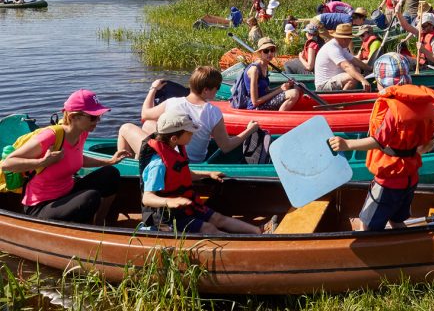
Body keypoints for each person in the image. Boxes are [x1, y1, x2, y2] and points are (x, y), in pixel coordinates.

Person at [328, 53, 434, 231]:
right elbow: (428, 143)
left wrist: (347, 144)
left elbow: (378, 141)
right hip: (411, 177)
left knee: (368, 225)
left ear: (383, 83)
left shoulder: (392, 111)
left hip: (389, 180)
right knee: (396, 220)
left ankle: (376, 254)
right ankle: (407, 245)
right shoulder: (425, 105)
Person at [2, 90, 129, 224]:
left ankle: (101, 224)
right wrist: (43, 162)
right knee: (91, 198)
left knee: (111, 173)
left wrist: (110, 161)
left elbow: (77, 159)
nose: (97, 121)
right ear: (74, 117)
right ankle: (85, 234)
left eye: (99, 116)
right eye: (93, 117)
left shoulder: (82, 133)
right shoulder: (51, 136)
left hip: (66, 193)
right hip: (41, 205)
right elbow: (8, 163)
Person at [139, 111, 271, 234]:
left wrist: (207, 174)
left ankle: (258, 231)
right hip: (167, 217)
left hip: (186, 207)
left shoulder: (174, 150)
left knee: (218, 218)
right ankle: (243, 243)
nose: (192, 134)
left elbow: (185, 175)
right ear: (174, 138)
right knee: (209, 228)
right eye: (189, 132)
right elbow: (147, 198)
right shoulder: (157, 165)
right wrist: (170, 202)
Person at [118, 66, 259, 162]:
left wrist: (153, 89)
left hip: (172, 159)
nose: (217, 91)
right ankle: (139, 164)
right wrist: (249, 130)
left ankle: (132, 166)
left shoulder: (172, 102)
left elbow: (145, 113)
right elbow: (226, 146)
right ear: (205, 90)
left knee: (125, 128)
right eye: (216, 88)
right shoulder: (213, 112)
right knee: (149, 125)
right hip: (193, 161)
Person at [242, 37, 302, 110]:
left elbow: (267, 91)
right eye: (266, 51)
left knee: (299, 87)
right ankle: (280, 118)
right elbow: (255, 102)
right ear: (260, 52)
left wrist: (283, 86)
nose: (270, 53)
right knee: (293, 93)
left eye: (272, 50)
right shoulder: (254, 70)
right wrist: (280, 90)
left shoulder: (265, 66)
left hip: (266, 102)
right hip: (257, 107)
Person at [314, 24, 372, 91]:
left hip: (333, 80)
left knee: (357, 69)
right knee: (353, 77)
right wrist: (363, 80)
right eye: (350, 38)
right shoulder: (332, 48)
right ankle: (343, 99)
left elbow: (354, 60)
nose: (351, 41)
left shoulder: (340, 46)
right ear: (344, 39)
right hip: (323, 86)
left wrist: (370, 68)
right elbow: (346, 66)